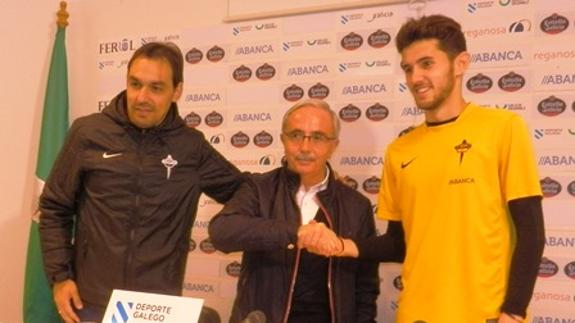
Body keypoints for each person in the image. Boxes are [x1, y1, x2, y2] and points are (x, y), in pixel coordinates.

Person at [301, 15, 545, 323]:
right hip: (415, 315)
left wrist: (513, 311)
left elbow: (532, 233)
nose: (415, 77)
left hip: (485, 315)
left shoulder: (504, 128)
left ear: (460, 63)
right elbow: (397, 243)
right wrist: (339, 245)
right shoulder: (400, 150)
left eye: (427, 64)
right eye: (408, 68)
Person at [39, 42, 243, 323]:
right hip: (91, 302)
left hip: (157, 307)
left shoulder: (190, 148)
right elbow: (53, 208)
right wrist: (60, 277)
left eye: (156, 88)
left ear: (177, 91)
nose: (141, 97)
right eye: (135, 84)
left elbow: (243, 191)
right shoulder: (88, 132)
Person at [208, 99, 380, 323]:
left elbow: (365, 286)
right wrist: (295, 233)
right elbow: (222, 232)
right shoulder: (259, 188)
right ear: (283, 139)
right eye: (296, 135)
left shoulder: (357, 205)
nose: (305, 147)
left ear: (333, 145)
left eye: (317, 137)